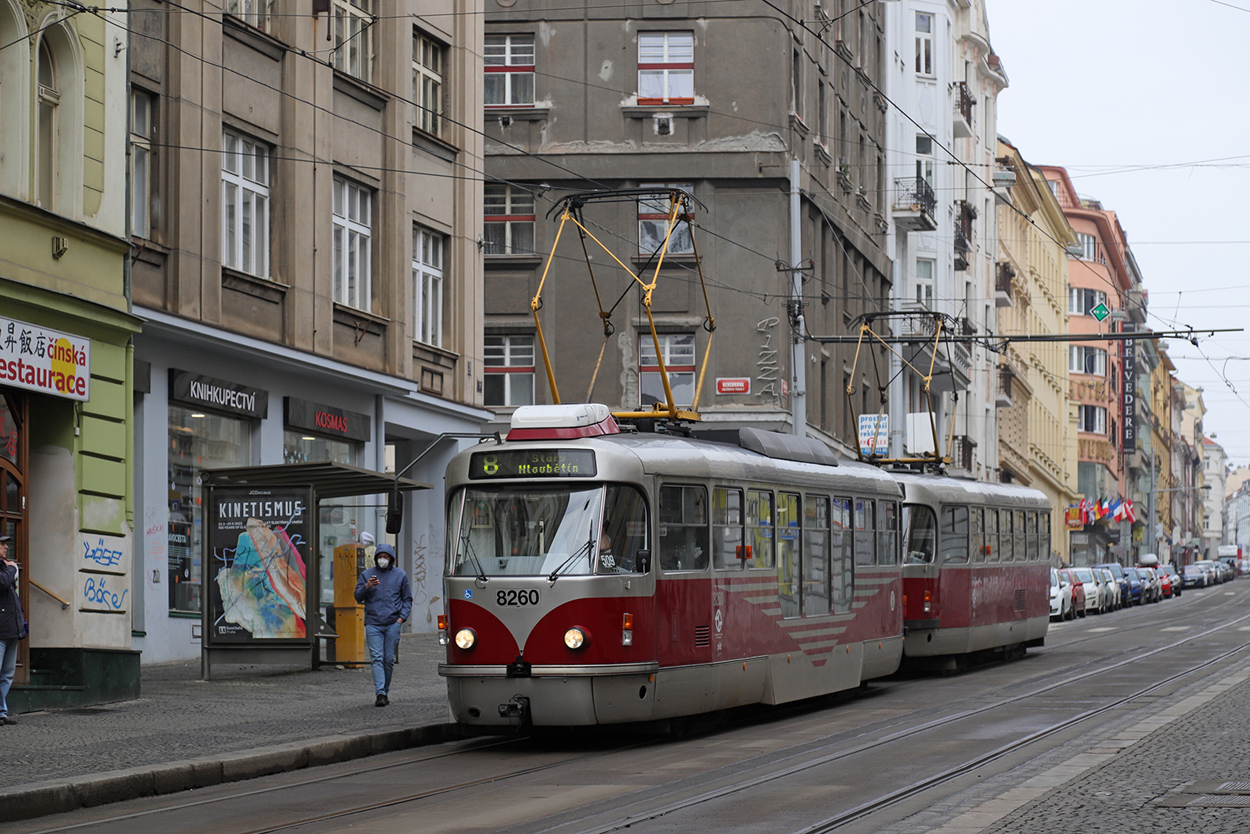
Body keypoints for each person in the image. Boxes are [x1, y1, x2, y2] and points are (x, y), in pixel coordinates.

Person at [354, 542, 411, 707]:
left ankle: (385, 689)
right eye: (380, 557)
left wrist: (401, 619)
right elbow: (357, 596)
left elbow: (407, 599)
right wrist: (367, 587)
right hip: (373, 623)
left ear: (391, 558)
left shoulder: (400, 575)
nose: (382, 560)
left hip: (393, 622)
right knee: (377, 658)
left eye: (385, 557)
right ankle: (380, 693)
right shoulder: (367, 575)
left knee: (388, 659)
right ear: (376, 558)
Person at [0, 534, 24, 726]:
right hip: (1, 630)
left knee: (7, 673)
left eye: (6, 543)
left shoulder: (5, 567)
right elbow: (1, 583)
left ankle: (1, 712)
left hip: (11, 629)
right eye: (2, 544)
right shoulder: (7, 569)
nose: (6, 547)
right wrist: (12, 569)